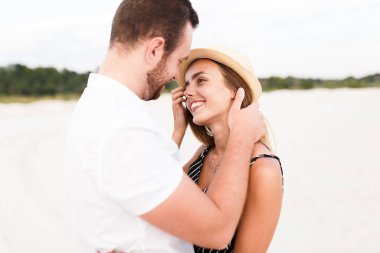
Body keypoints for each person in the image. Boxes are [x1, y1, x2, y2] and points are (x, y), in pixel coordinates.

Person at [64, 1, 266, 253]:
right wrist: (242, 137)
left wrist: (177, 134)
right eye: (179, 60)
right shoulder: (125, 129)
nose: (175, 77)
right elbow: (216, 232)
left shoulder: (97, 107)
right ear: (155, 50)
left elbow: (149, 181)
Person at [171, 46, 284, 252]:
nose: (187, 92)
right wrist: (178, 131)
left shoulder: (262, 169)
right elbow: (160, 195)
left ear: (234, 90)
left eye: (201, 80)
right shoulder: (204, 154)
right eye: (186, 85)